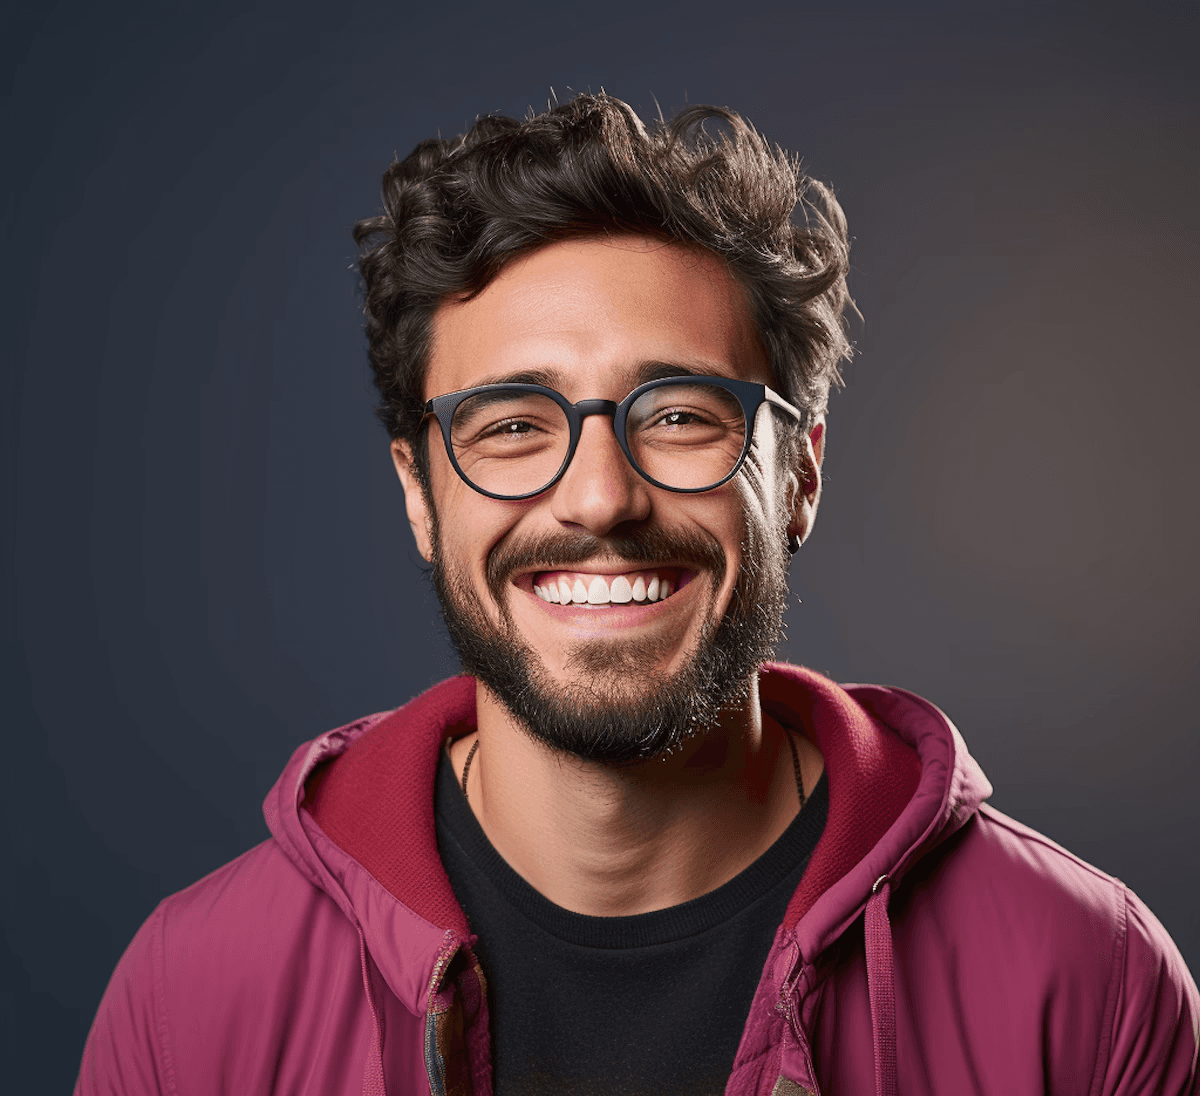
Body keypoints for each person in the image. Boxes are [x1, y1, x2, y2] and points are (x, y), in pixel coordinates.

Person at [76, 93, 1197, 1096]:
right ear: (420, 496)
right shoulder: (192, 1002)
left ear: (798, 474)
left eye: (678, 416)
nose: (600, 498)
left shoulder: (1086, 983)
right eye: (514, 427)